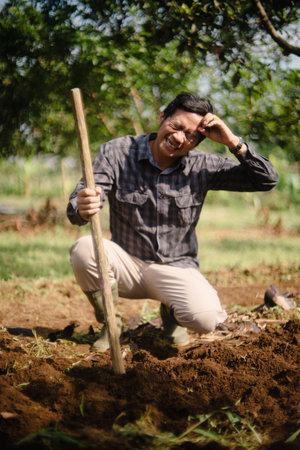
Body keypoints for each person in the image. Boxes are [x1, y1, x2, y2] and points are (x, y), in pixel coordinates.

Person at [67, 92, 279, 351]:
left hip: (176, 268)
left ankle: (171, 314)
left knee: (206, 318)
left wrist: (232, 141)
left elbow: (266, 180)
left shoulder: (202, 165)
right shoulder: (117, 152)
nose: (180, 138)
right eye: (177, 126)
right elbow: (77, 207)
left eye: (191, 136)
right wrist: (84, 205)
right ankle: (113, 325)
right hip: (126, 263)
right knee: (84, 249)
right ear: (162, 117)